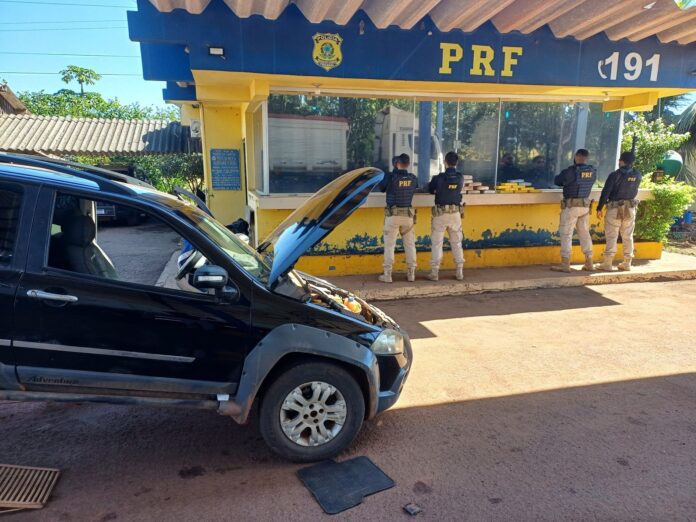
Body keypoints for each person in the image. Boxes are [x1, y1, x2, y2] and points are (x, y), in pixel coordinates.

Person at [551, 148, 597, 272]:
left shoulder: (571, 171)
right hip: (585, 207)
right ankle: (589, 262)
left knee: (566, 234)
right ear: (586, 158)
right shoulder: (593, 171)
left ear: (576, 157)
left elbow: (558, 181)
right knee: (584, 233)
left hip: (571, 206)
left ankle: (565, 264)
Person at [595, 151, 642, 271]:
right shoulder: (637, 175)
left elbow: (606, 193)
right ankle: (627, 263)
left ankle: (608, 263)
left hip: (615, 208)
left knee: (612, 236)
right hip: (630, 208)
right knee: (628, 236)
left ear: (621, 161)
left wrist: (599, 207)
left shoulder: (614, 175)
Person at [378, 153, 418, 283]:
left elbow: (382, 188)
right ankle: (411, 273)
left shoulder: (390, 177)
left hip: (393, 216)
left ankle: (387, 274)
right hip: (408, 217)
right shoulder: (413, 178)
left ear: (397, 163)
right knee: (410, 245)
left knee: (390, 246)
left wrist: (393, 172)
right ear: (408, 164)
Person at [427, 151, 465, 281]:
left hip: (441, 214)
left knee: (437, 243)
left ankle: (435, 272)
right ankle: (459, 271)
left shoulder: (439, 178)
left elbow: (430, 189)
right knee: (457, 243)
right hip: (455, 214)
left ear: (445, 162)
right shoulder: (460, 177)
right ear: (457, 163)